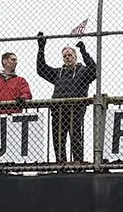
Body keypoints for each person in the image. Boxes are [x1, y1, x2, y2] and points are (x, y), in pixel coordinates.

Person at [36, 32, 97, 163]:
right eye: (65, 56)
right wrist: (41, 48)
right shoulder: (58, 73)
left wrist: (83, 51)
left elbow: (94, 70)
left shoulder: (83, 71)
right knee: (58, 138)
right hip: (58, 110)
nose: (68, 58)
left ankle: (78, 162)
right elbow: (41, 69)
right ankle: (60, 163)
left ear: (75, 57)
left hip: (76, 109)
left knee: (75, 136)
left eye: (70, 55)